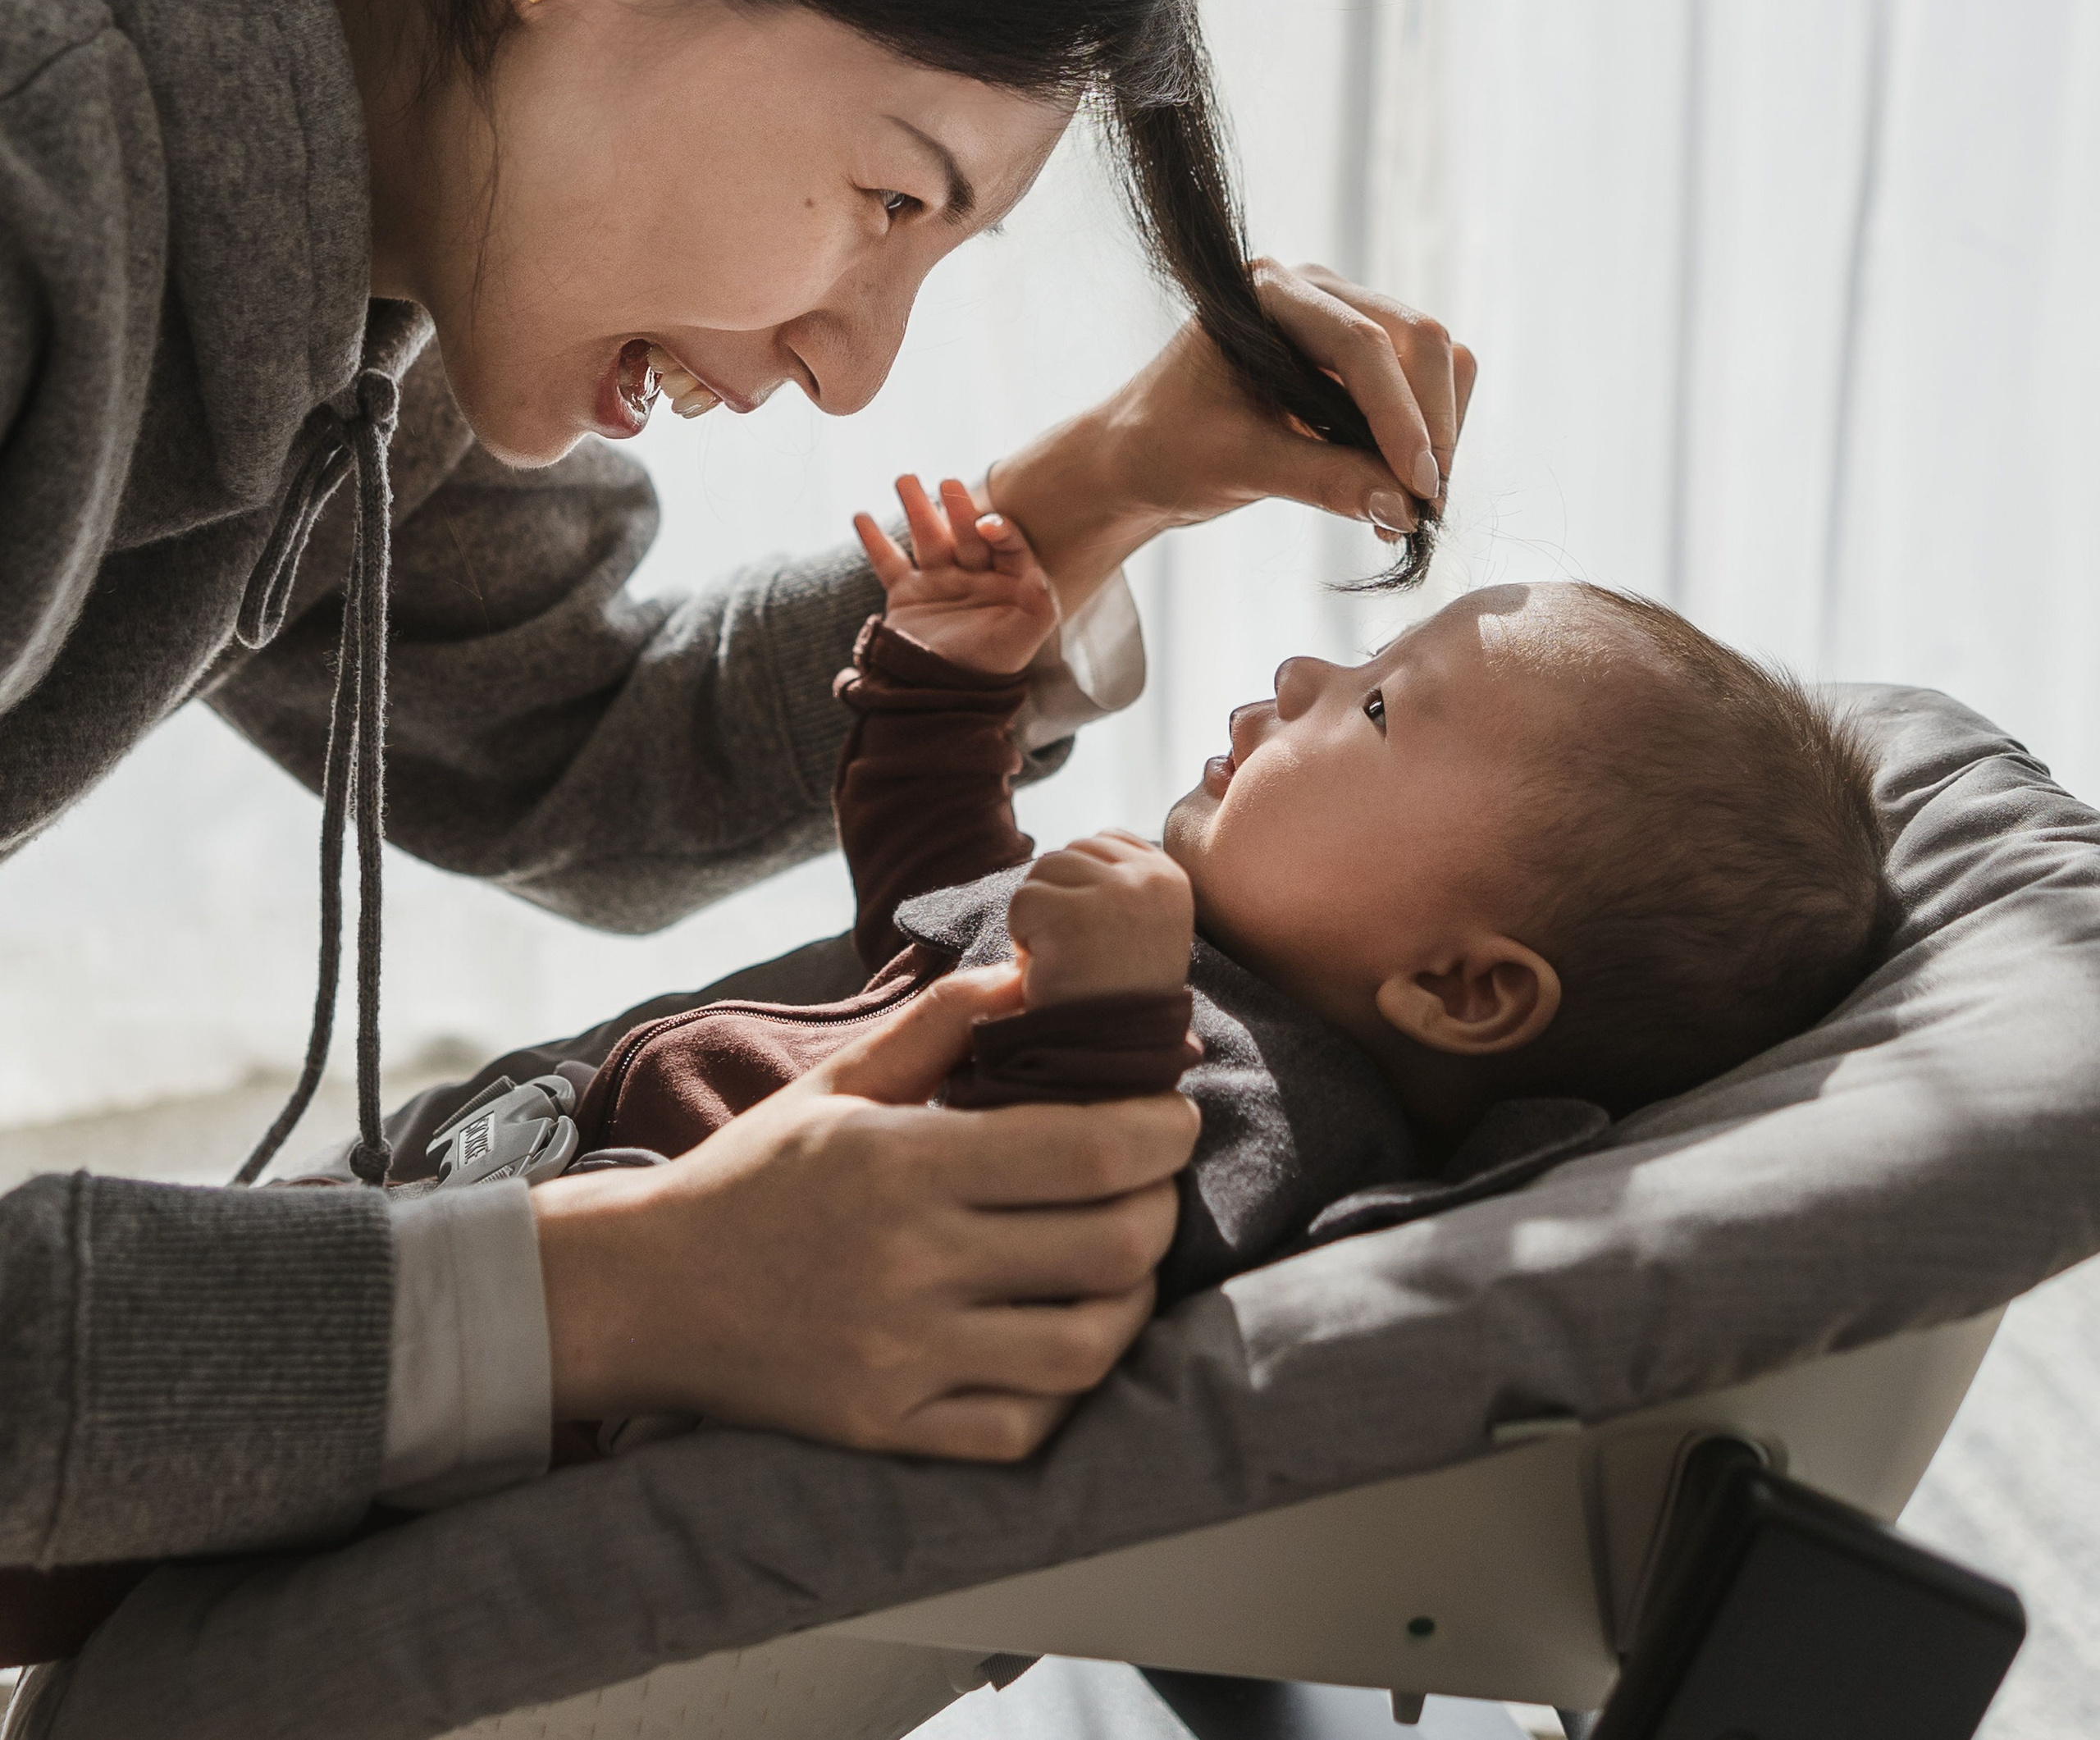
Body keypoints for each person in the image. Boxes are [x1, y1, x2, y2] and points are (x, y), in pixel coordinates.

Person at [0, 0, 1476, 1581]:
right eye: (885, 195)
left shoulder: (359, 200)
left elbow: (574, 747)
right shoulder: (41, 169)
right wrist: (616, 1281)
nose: (851, 362)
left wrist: (1119, 479)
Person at [443, 473, 1883, 1455]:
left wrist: (1109, 1011)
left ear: (1462, 987)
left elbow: (1050, 1247)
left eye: (1381, 707)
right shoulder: (1184, 959)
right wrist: (944, 687)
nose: (1308, 678)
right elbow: (939, 899)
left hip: (595, 1382)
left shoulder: (1280, 1104)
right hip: (526, 1216)